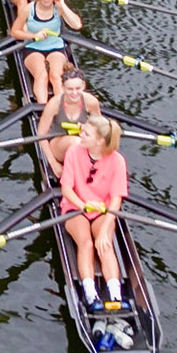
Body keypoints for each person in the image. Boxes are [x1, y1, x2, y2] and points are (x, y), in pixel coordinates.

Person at [61, 115, 128, 311]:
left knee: (105, 244)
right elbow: (66, 190)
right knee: (87, 243)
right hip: (75, 207)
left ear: (99, 141)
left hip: (102, 211)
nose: (80, 134)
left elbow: (116, 200)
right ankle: (91, 295)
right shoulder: (74, 151)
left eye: (86, 133)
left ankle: (115, 295)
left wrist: (106, 227)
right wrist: (82, 204)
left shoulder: (117, 161)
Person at [11, 0, 81, 103]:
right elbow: (15, 32)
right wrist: (33, 35)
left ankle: (60, 108)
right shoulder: (28, 9)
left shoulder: (58, 8)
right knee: (42, 75)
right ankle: (44, 109)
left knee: (56, 76)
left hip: (56, 47)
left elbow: (77, 25)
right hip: (33, 47)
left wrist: (63, 5)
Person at [38, 67, 104, 179]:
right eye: (70, 89)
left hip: (83, 141)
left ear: (83, 86)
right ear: (63, 87)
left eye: (78, 88)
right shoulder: (54, 104)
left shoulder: (91, 102)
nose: (74, 93)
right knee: (76, 142)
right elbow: (40, 135)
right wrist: (53, 163)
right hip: (58, 144)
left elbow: (100, 129)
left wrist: (86, 128)